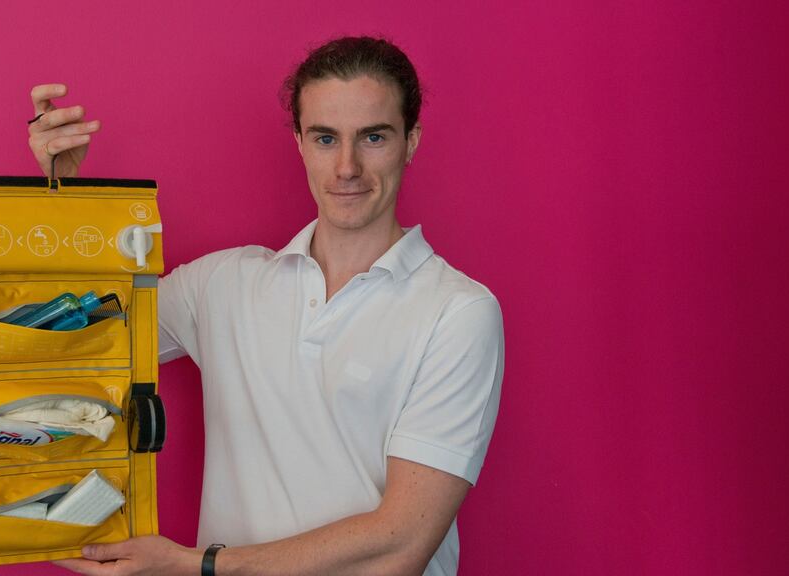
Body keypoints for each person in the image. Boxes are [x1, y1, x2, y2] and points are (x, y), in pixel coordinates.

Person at [28, 36, 504, 576]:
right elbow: (77, 337)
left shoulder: (458, 312)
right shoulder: (223, 284)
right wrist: (65, 194)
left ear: (411, 140)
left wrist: (198, 566)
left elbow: (402, 545)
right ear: (300, 142)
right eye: (326, 138)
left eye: (373, 136)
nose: (347, 166)